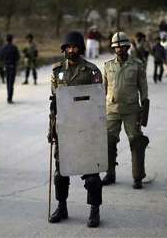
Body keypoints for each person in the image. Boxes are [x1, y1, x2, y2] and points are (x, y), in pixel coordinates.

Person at [48, 31, 103, 228]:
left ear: (80, 49)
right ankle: (62, 207)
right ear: (64, 49)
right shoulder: (56, 71)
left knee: (92, 174)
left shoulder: (92, 71)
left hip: (87, 129)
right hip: (65, 130)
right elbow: (54, 104)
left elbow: (98, 103)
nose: (71, 51)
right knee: (60, 172)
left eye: (75, 47)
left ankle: (94, 210)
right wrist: (52, 129)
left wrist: (97, 130)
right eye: (68, 47)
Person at [101, 32, 149, 189]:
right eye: (116, 47)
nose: (120, 49)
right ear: (113, 48)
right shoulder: (108, 66)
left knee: (136, 142)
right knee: (108, 141)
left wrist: (145, 106)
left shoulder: (137, 65)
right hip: (112, 109)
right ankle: (110, 173)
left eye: (122, 46)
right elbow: (103, 89)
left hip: (131, 109)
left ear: (128, 47)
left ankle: (138, 177)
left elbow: (143, 87)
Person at [0, 34, 20, 103]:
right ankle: (9, 98)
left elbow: (1, 57)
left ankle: (8, 96)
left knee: (8, 82)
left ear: (6, 39)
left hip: (6, 67)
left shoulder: (3, 48)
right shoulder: (14, 47)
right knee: (11, 83)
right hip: (12, 66)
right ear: (12, 39)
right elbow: (18, 57)